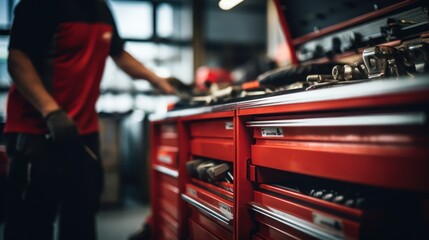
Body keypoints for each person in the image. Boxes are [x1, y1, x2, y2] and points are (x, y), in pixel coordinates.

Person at [3, 0, 175, 239]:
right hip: (36, 130)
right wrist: (51, 111)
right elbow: (18, 60)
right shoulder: (38, 5)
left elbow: (118, 53)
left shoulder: (101, 8)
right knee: (32, 220)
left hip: (83, 132)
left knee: (81, 215)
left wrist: (158, 80)